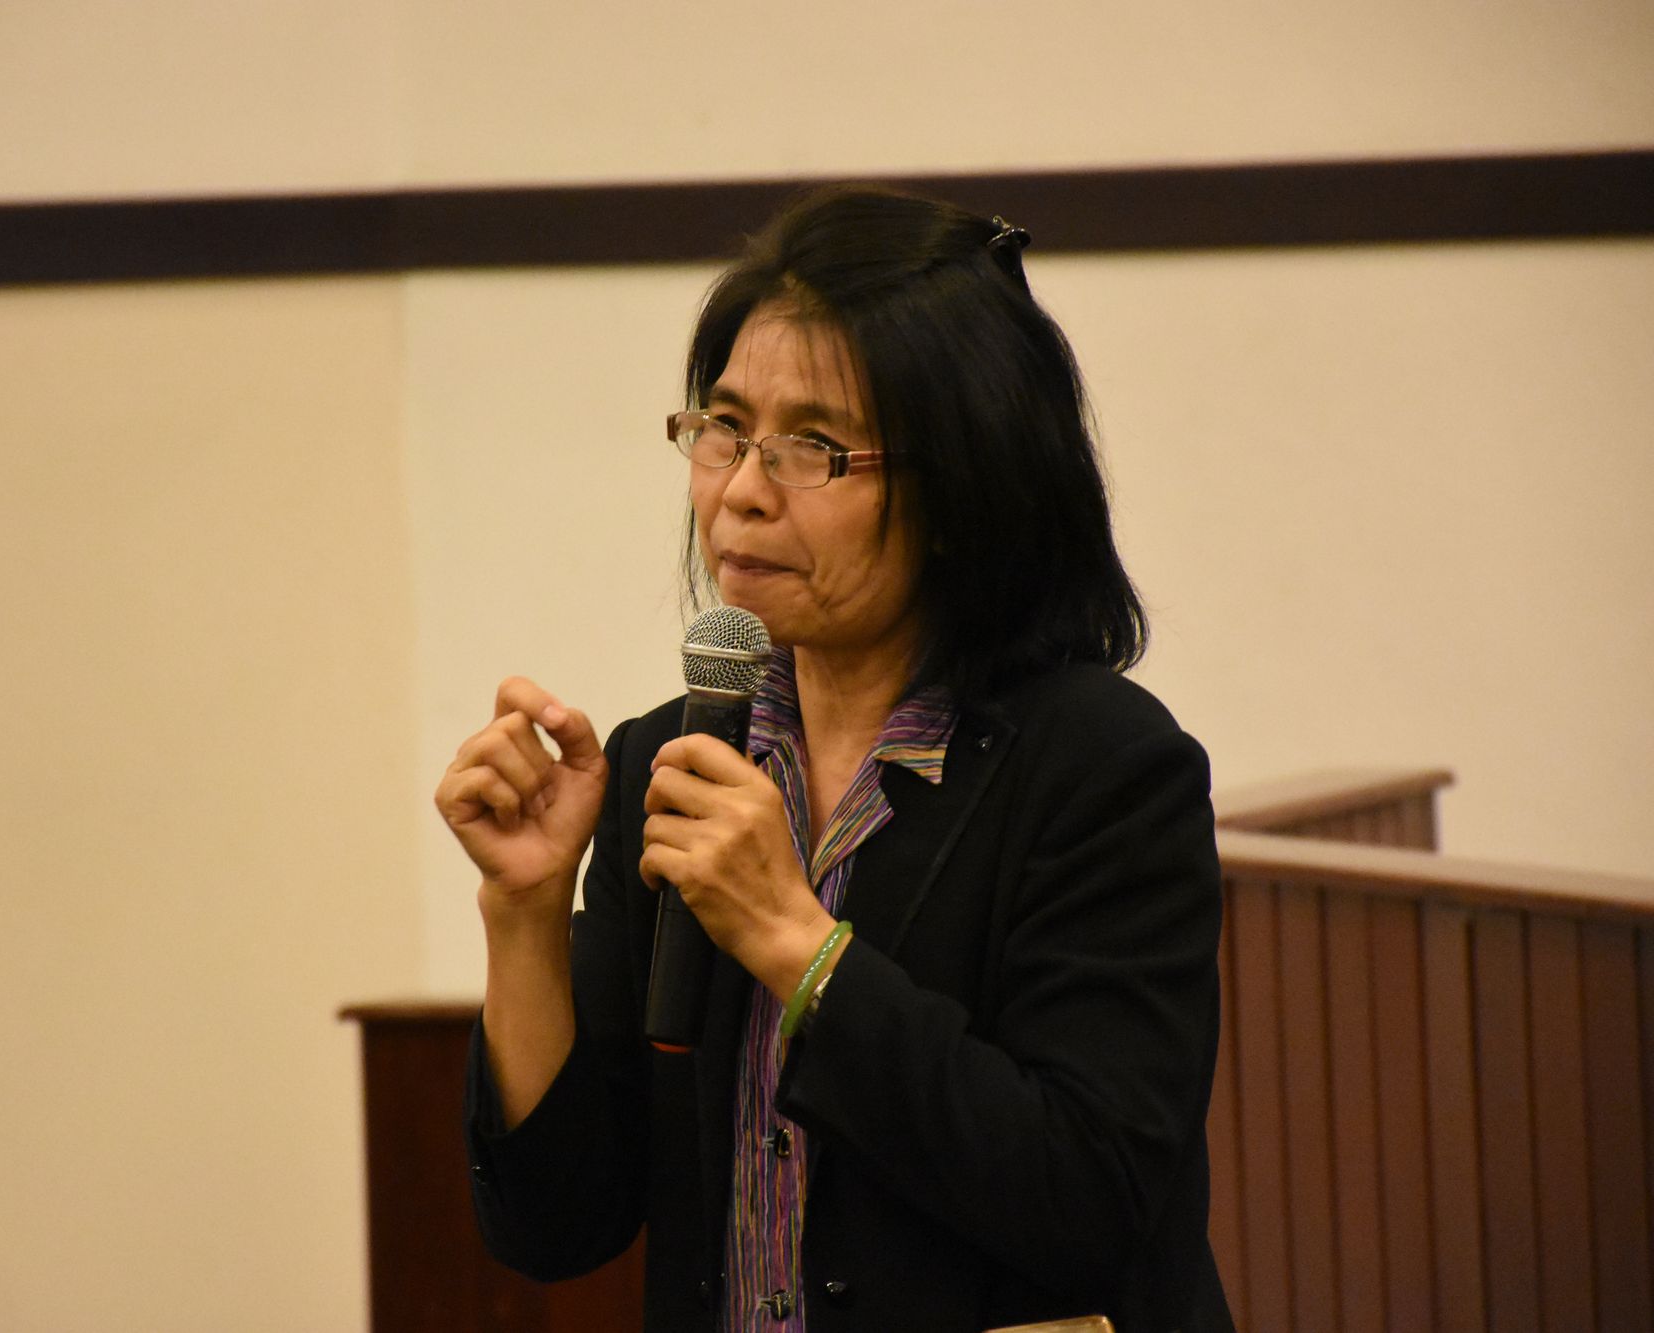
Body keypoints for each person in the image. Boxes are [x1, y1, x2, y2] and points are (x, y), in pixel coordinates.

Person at [433, 185, 1232, 1332]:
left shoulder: (1104, 770)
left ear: (960, 483)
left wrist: (793, 942)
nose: (740, 492)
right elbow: (554, 1225)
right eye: (724, 429)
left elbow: (1089, 1196)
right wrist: (522, 915)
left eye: (811, 447)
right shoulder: (673, 758)